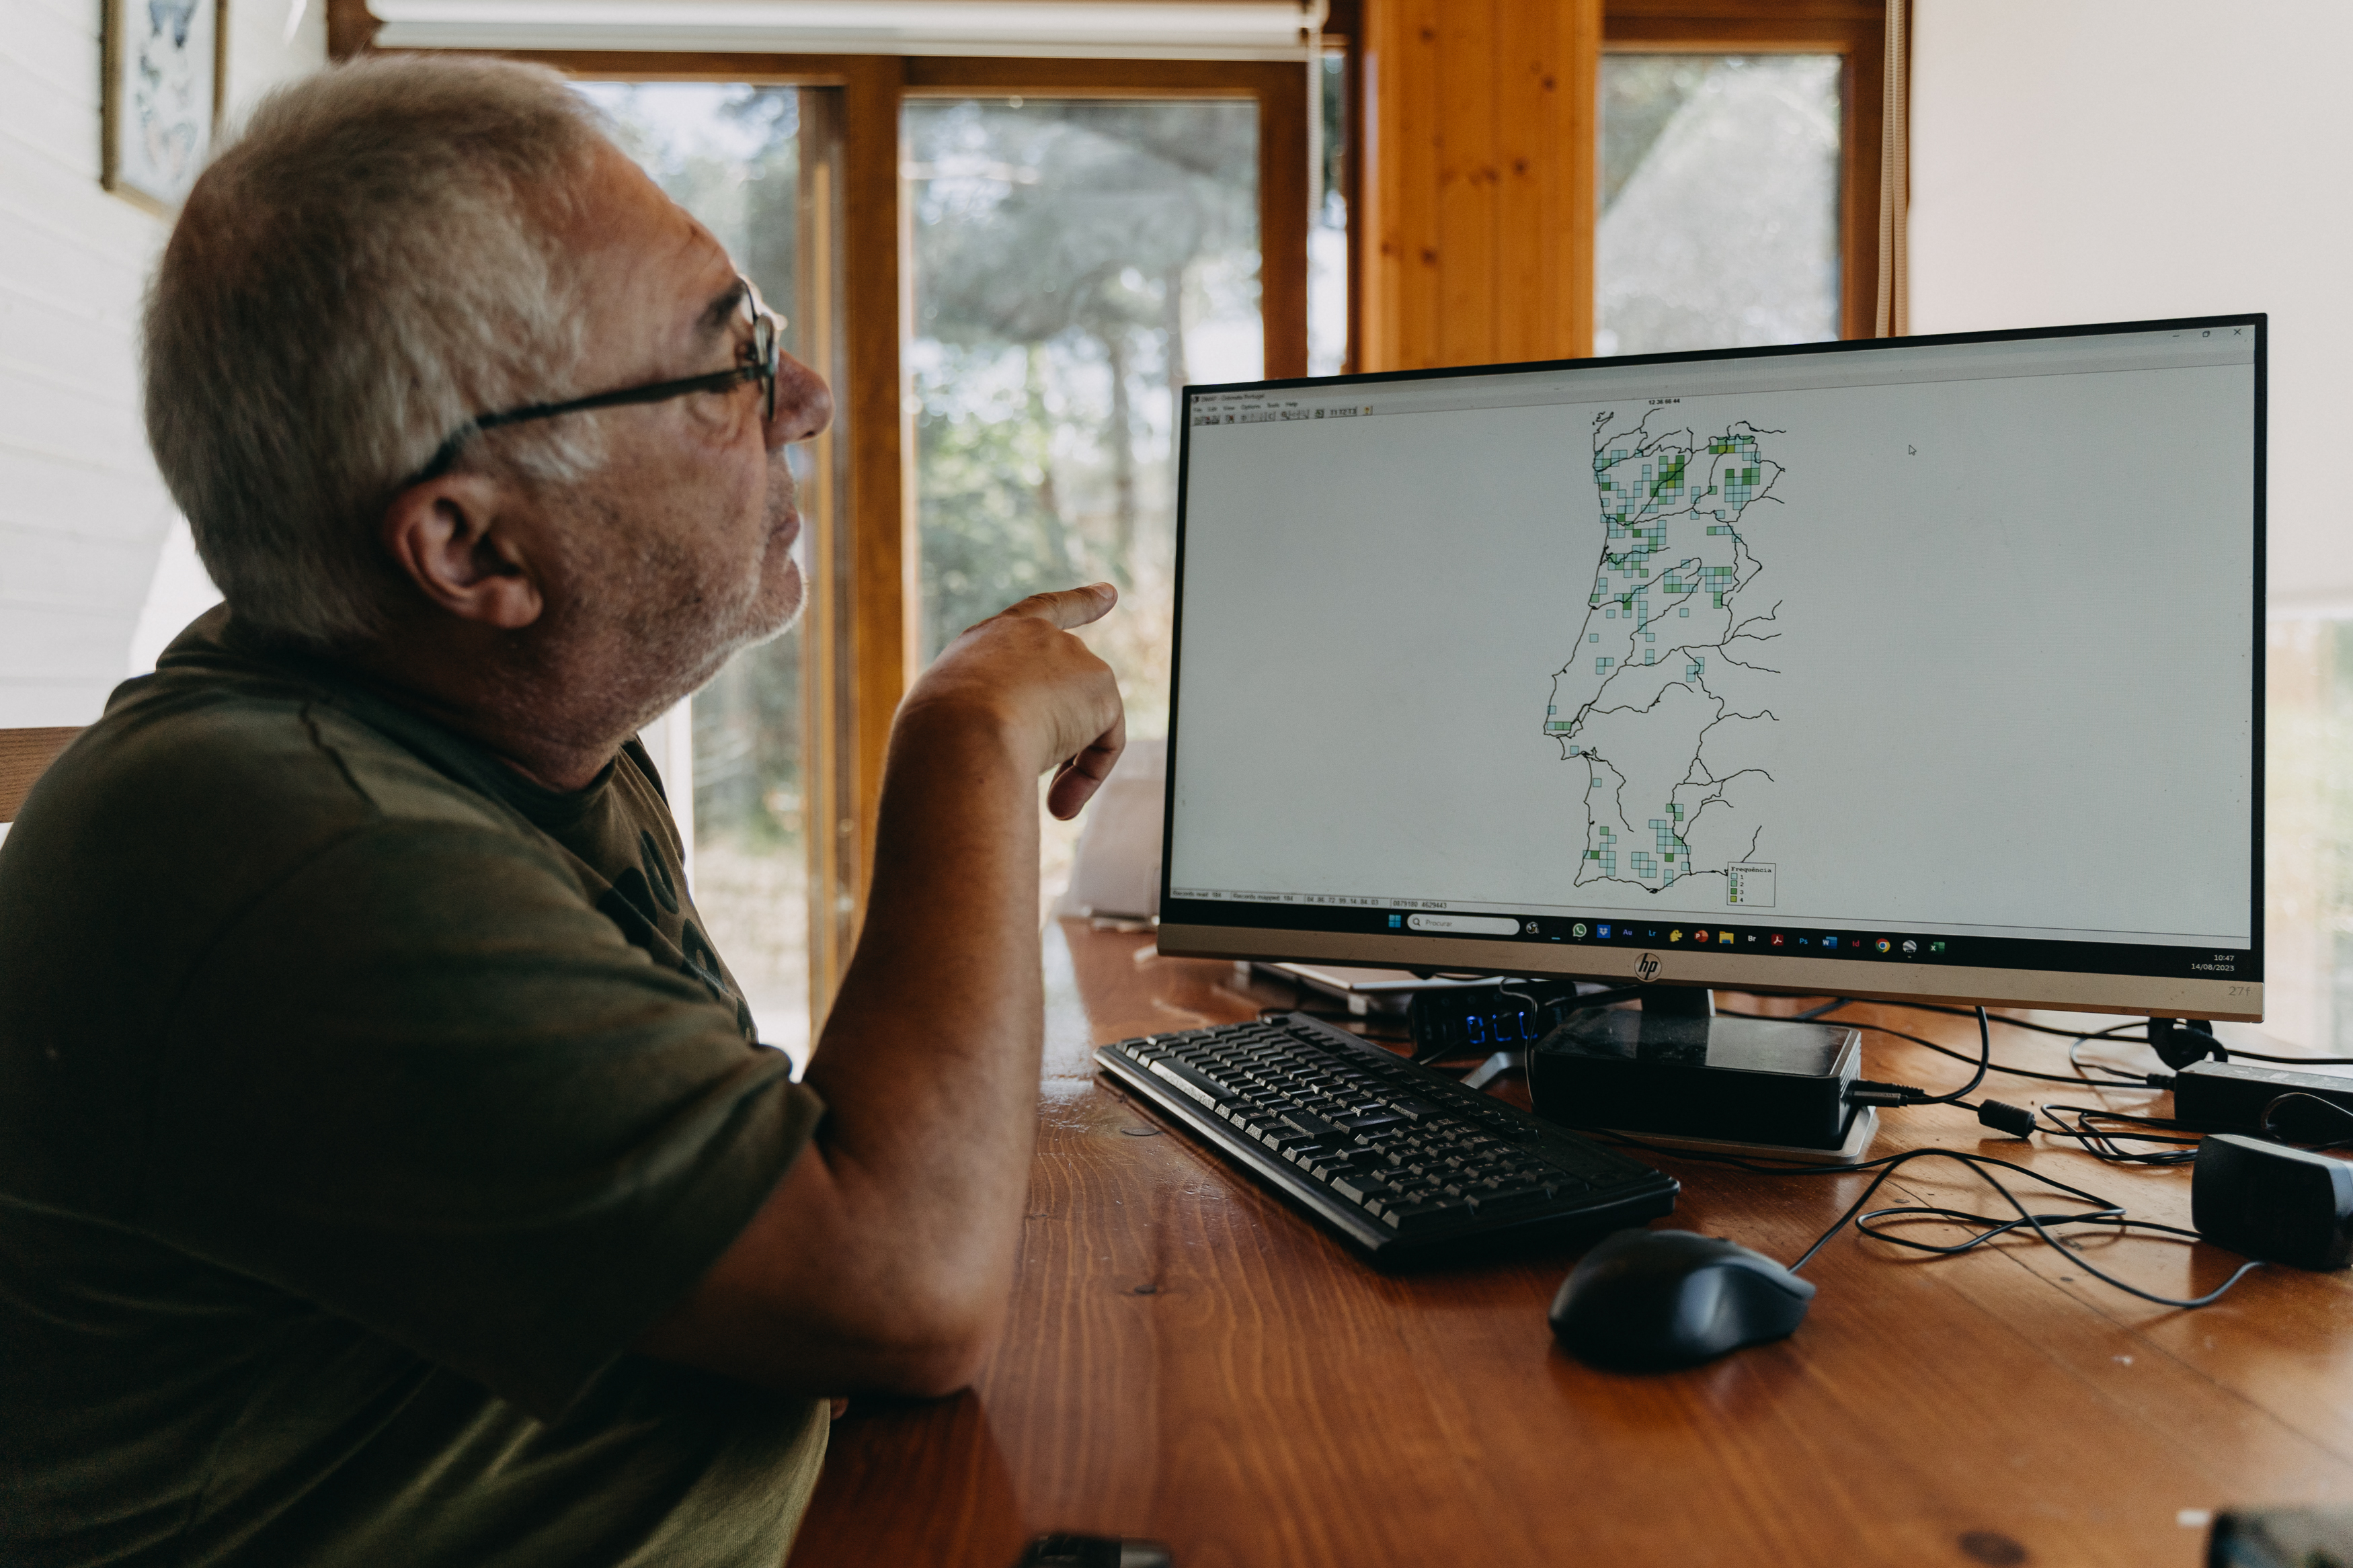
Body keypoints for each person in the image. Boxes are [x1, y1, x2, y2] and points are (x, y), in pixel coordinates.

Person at [0, 53, 1123, 1567]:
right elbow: (896, 1291)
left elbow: (746, 1210)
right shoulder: (310, 851)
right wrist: (967, 738)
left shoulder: (515, 737)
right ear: (470, 552)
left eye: (762, 331)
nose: (801, 400)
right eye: (721, 366)